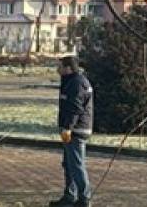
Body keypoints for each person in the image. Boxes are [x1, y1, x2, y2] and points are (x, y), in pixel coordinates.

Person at [50, 55, 94, 207]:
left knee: (76, 164)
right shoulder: (72, 81)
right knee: (68, 164)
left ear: (68, 68)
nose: (57, 69)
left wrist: (68, 128)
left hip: (76, 130)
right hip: (73, 129)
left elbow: (75, 108)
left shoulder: (76, 83)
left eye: (60, 66)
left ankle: (84, 198)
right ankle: (70, 196)